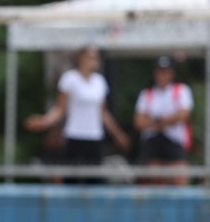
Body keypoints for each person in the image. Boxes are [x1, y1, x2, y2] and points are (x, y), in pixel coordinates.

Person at [23, 46, 130, 182]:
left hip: (94, 136)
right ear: (81, 58)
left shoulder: (99, 81)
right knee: (71, 179)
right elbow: (60, 109)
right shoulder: (70, 79)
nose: (94, 60)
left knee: (94, 180)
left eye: (96, 57)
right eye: (91, 57)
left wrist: (118, 134)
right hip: (75, 135)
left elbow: (103, 113)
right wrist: (44, 121)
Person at [134, 56, 193, 185]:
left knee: (179, 177)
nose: (162, 75)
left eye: (165, 72)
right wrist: (165, 121)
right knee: (154, 176)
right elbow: (139, 122)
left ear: (172, 73)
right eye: (159, 71)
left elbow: (184, 114)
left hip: (174, 140)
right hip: (153, 142)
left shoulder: (181, 90)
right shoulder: (147, 93)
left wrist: (157, 121)